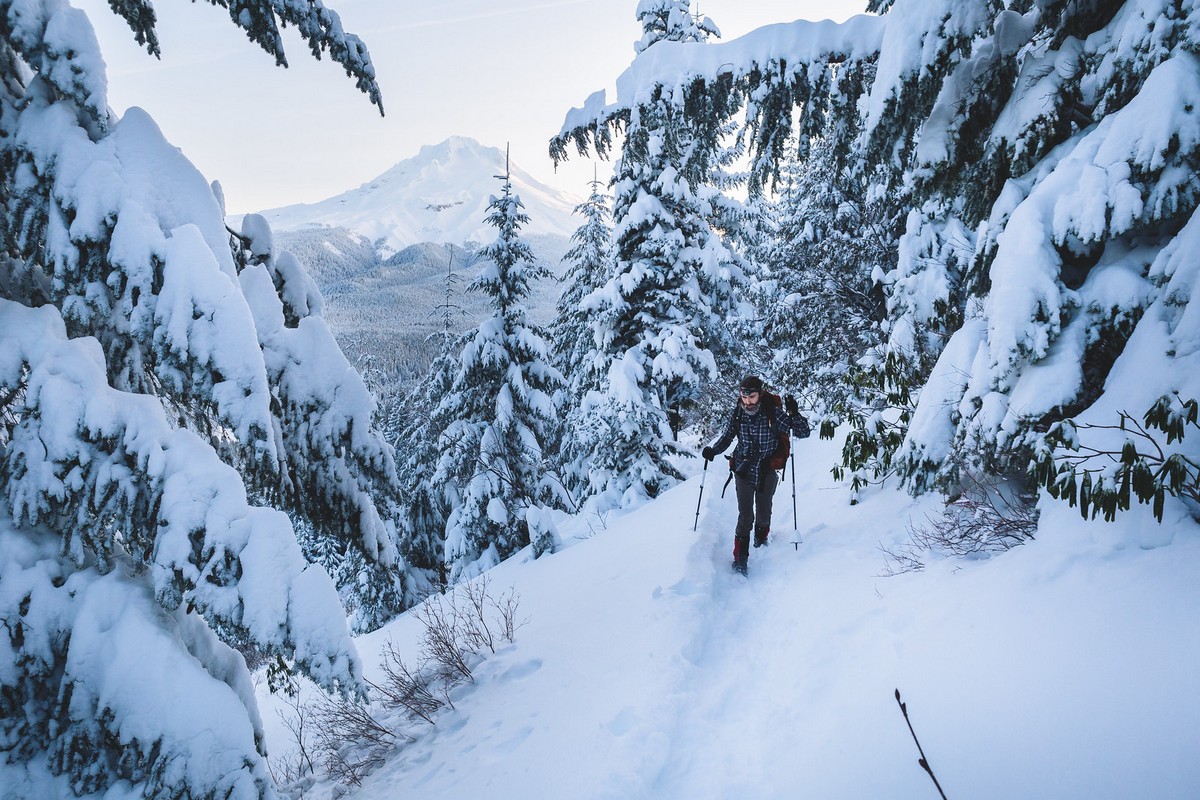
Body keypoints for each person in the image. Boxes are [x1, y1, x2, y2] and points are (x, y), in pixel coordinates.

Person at [702, 375, 810, 575]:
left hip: (767, 469)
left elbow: (803, 432)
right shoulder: (738, 414)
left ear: (759, 395)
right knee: (745, 516)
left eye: (751, 397)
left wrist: (794, 413)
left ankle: (761, 539)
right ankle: (740, 559)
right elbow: (727, 436)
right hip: (743, 468)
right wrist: (713, 450)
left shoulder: (772, 413)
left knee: (763, 512)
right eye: (744, 397)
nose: (747, 401)